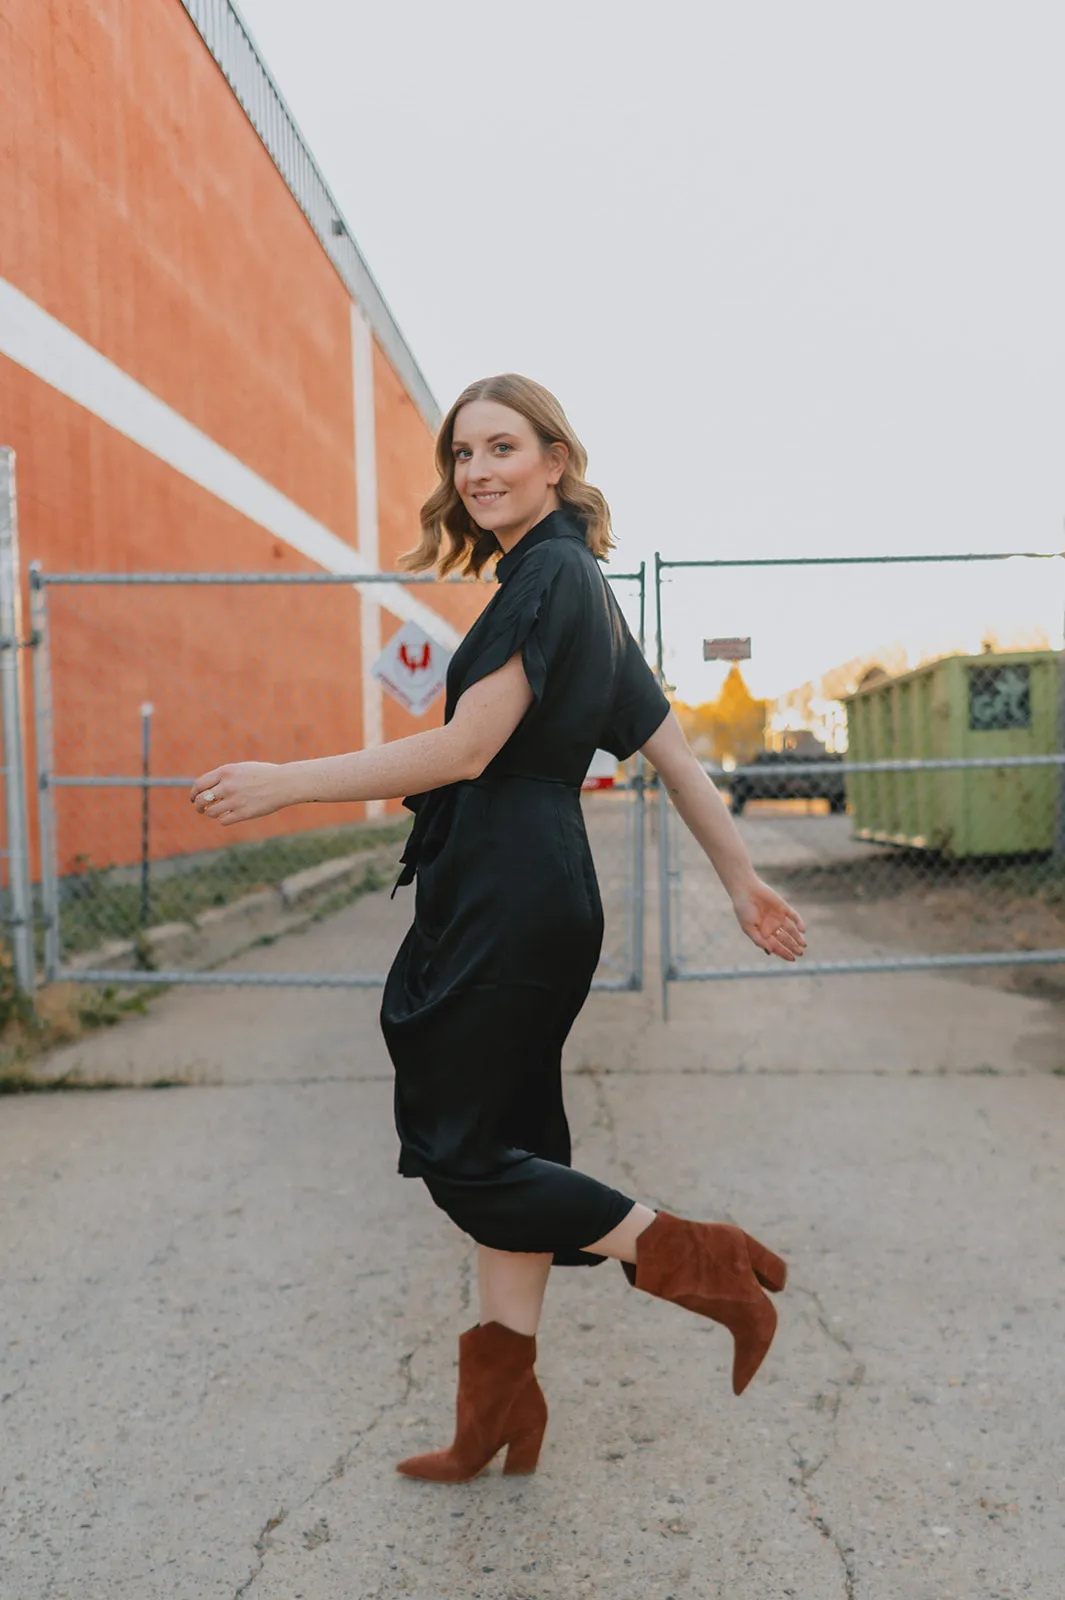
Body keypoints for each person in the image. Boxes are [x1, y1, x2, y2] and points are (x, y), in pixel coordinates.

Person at [190, 373, 806, 1485]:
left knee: (466, 1155)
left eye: (501, 447)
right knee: (509, 1148)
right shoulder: (571, 585)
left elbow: (470, 747)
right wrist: (743, 879)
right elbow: (673, 754)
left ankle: (698, 1258)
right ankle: (499, 1415)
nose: (475, 471)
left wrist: (288, 782)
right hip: (528, 885)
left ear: (556, 460)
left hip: (509, 892)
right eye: (462, 454)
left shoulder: (551, 578)